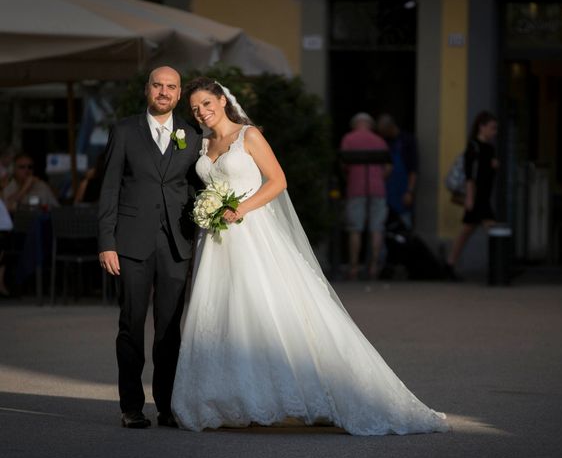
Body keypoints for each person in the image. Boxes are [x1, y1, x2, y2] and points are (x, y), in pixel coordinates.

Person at [170, 78, 448, 436]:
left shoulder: (248, 136)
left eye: (206, 103)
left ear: (222, 101)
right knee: (223, 316)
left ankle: (318, 392)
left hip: (253, 234)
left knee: (266, 311)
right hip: (216, 243)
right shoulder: (201, 143)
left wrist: (239, 209)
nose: (202, 113)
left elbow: (277, 181)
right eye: (194, 109)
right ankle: (232, 399)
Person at [98, 66, 202, 429]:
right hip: (130, 242)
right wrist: (106, 242)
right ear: (147, 89)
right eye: (158, 85)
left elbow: (195, 189)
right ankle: (131, 407)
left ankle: (168, 405)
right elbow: (109, 188)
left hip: (176, 243)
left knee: (169, 328)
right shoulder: (125, 130)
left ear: (178, 94)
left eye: (171, 87)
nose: (164, 92)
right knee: (131, 324)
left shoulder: (191, 134)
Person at [445, 111, 499, 279]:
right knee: (491, 229)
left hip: (483, 196)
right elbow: (471, 175)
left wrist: (494, 167)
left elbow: (485, 174)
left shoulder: (490, 149)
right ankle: (499, 266)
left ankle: (450, 264)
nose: (494, 132)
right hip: (477, 198)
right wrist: (469, 198)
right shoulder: (473, 147)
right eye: (492, 128)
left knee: (466, 231)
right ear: (481, 127)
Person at [340, 113, 391, 280]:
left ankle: (354, 268)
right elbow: (388, 168)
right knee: (377, 229)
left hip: (356, 188)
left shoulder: (349, 139)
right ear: (370, 125)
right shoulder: (379, 140)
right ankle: (373, 267)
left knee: (355, 229)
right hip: (378, 189)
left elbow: (343, 165)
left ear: (355, 124)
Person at [377, 114, 418, 229]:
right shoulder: (384, 142)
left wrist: (409, 191)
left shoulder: (407, 140)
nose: (382, 135)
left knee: (405, 225)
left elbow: (413, 169)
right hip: (385, 191)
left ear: (390, 127)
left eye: (383, 131)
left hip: (402, 190)